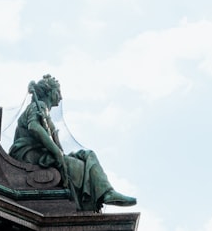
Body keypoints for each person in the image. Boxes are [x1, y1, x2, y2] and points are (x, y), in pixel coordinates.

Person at [8, 75, 136, 211]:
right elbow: (34, 127)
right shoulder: (38, 106)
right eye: (58, 92)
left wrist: (57, 150)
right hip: (29, 154)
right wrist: (57, 152)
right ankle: (98, 196)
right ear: (50, 92)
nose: (61, 97)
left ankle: (107, 192)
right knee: (78, 166)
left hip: (42, 154)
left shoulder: (45, 112)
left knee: (88, 155)